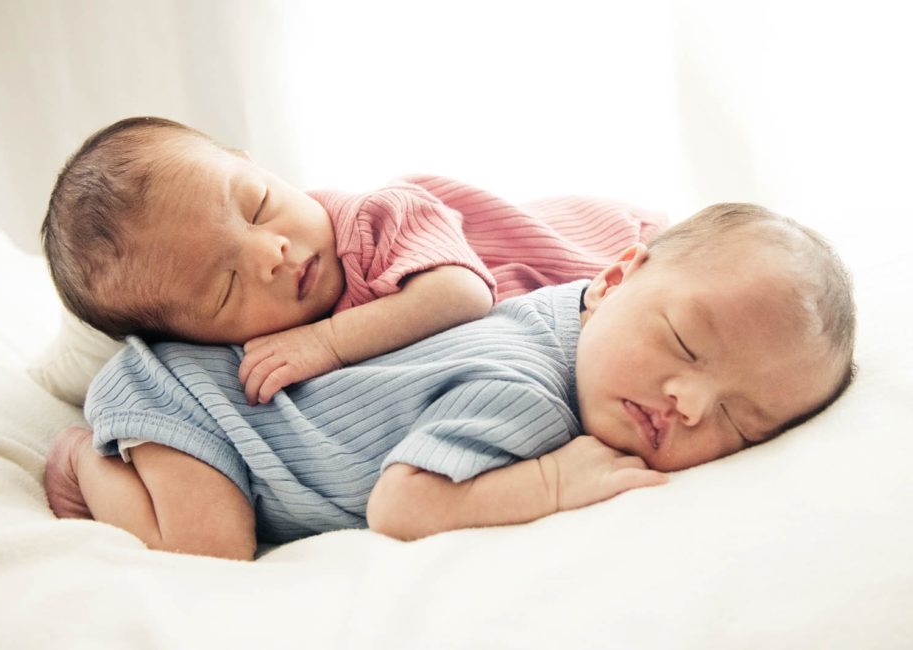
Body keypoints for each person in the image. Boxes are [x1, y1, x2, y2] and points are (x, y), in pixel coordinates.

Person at [45, 203, 857, 560]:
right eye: (683, 342)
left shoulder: (574, 321)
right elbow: (400, 506)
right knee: (210, 548)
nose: (690, 404)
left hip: (221, 398)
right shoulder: (527, 395)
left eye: (741, 424)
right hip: (196, 407)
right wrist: (547, 483)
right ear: (613, 279)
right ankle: (87, 458)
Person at [41, 116, 665, 405]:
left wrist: (329, 342)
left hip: (614, 251)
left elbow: (461, 295)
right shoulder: (255, 350)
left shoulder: (378, 218)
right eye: (226, 287)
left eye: (258, 206)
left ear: (255, 164)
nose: (270, 253)